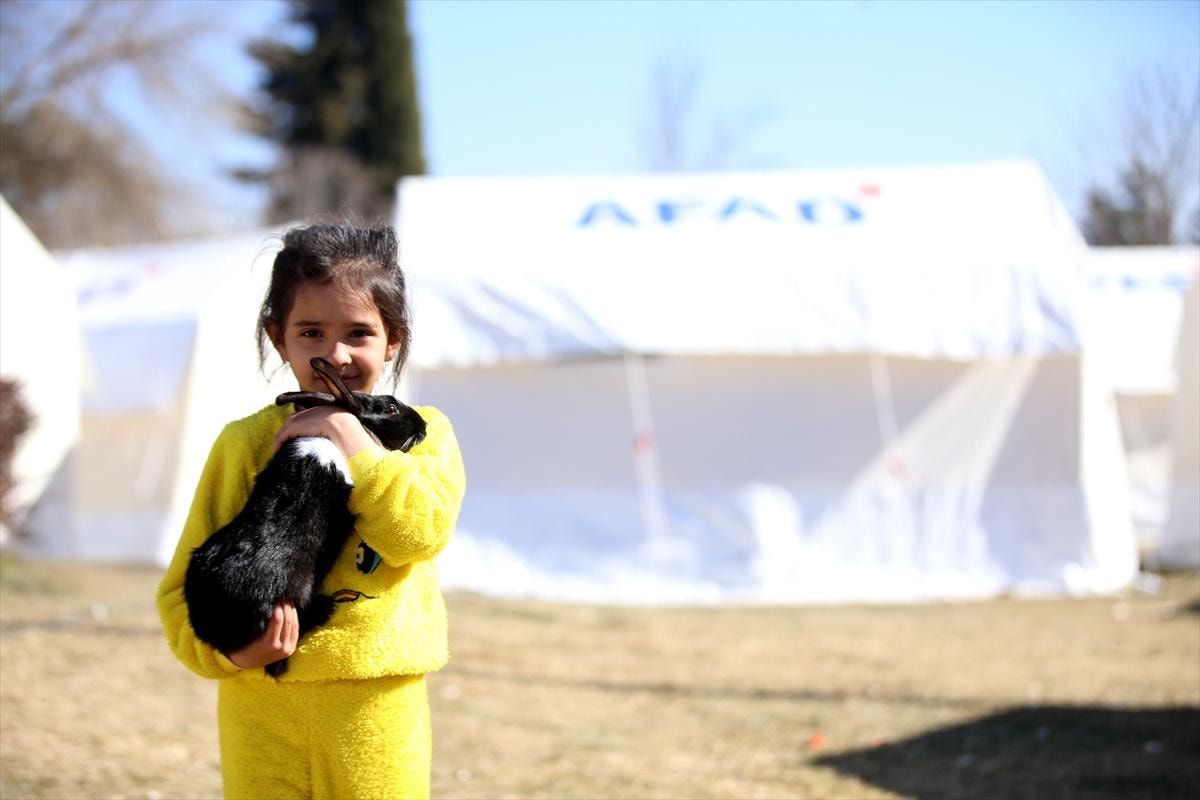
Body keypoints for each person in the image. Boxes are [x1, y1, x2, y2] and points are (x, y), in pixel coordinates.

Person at [156, 223, 465, 800]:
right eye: (311, 332)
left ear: (393, 339)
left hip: (376, 707)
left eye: (359, 333)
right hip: (260, 707)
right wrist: (232, 654)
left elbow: (417, 535)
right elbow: (181, 589)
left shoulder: (421, 435)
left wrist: (349, 435)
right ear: (278, 338)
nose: (335, 355)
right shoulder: (246, 443)